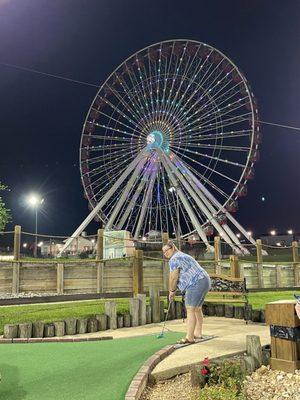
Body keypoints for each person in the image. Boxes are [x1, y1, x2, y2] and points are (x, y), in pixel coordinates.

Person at [162, 241, 211, 344]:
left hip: (195, 283)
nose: (165, 253)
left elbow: (173, 277)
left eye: (167, 250)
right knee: (197, 309)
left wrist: (172, 291)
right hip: (204, 280)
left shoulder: (174, 259)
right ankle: (197, 333)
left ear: (173, 248)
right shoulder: (182, 255)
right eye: (163, 252)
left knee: (190, 309)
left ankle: (189, 337)